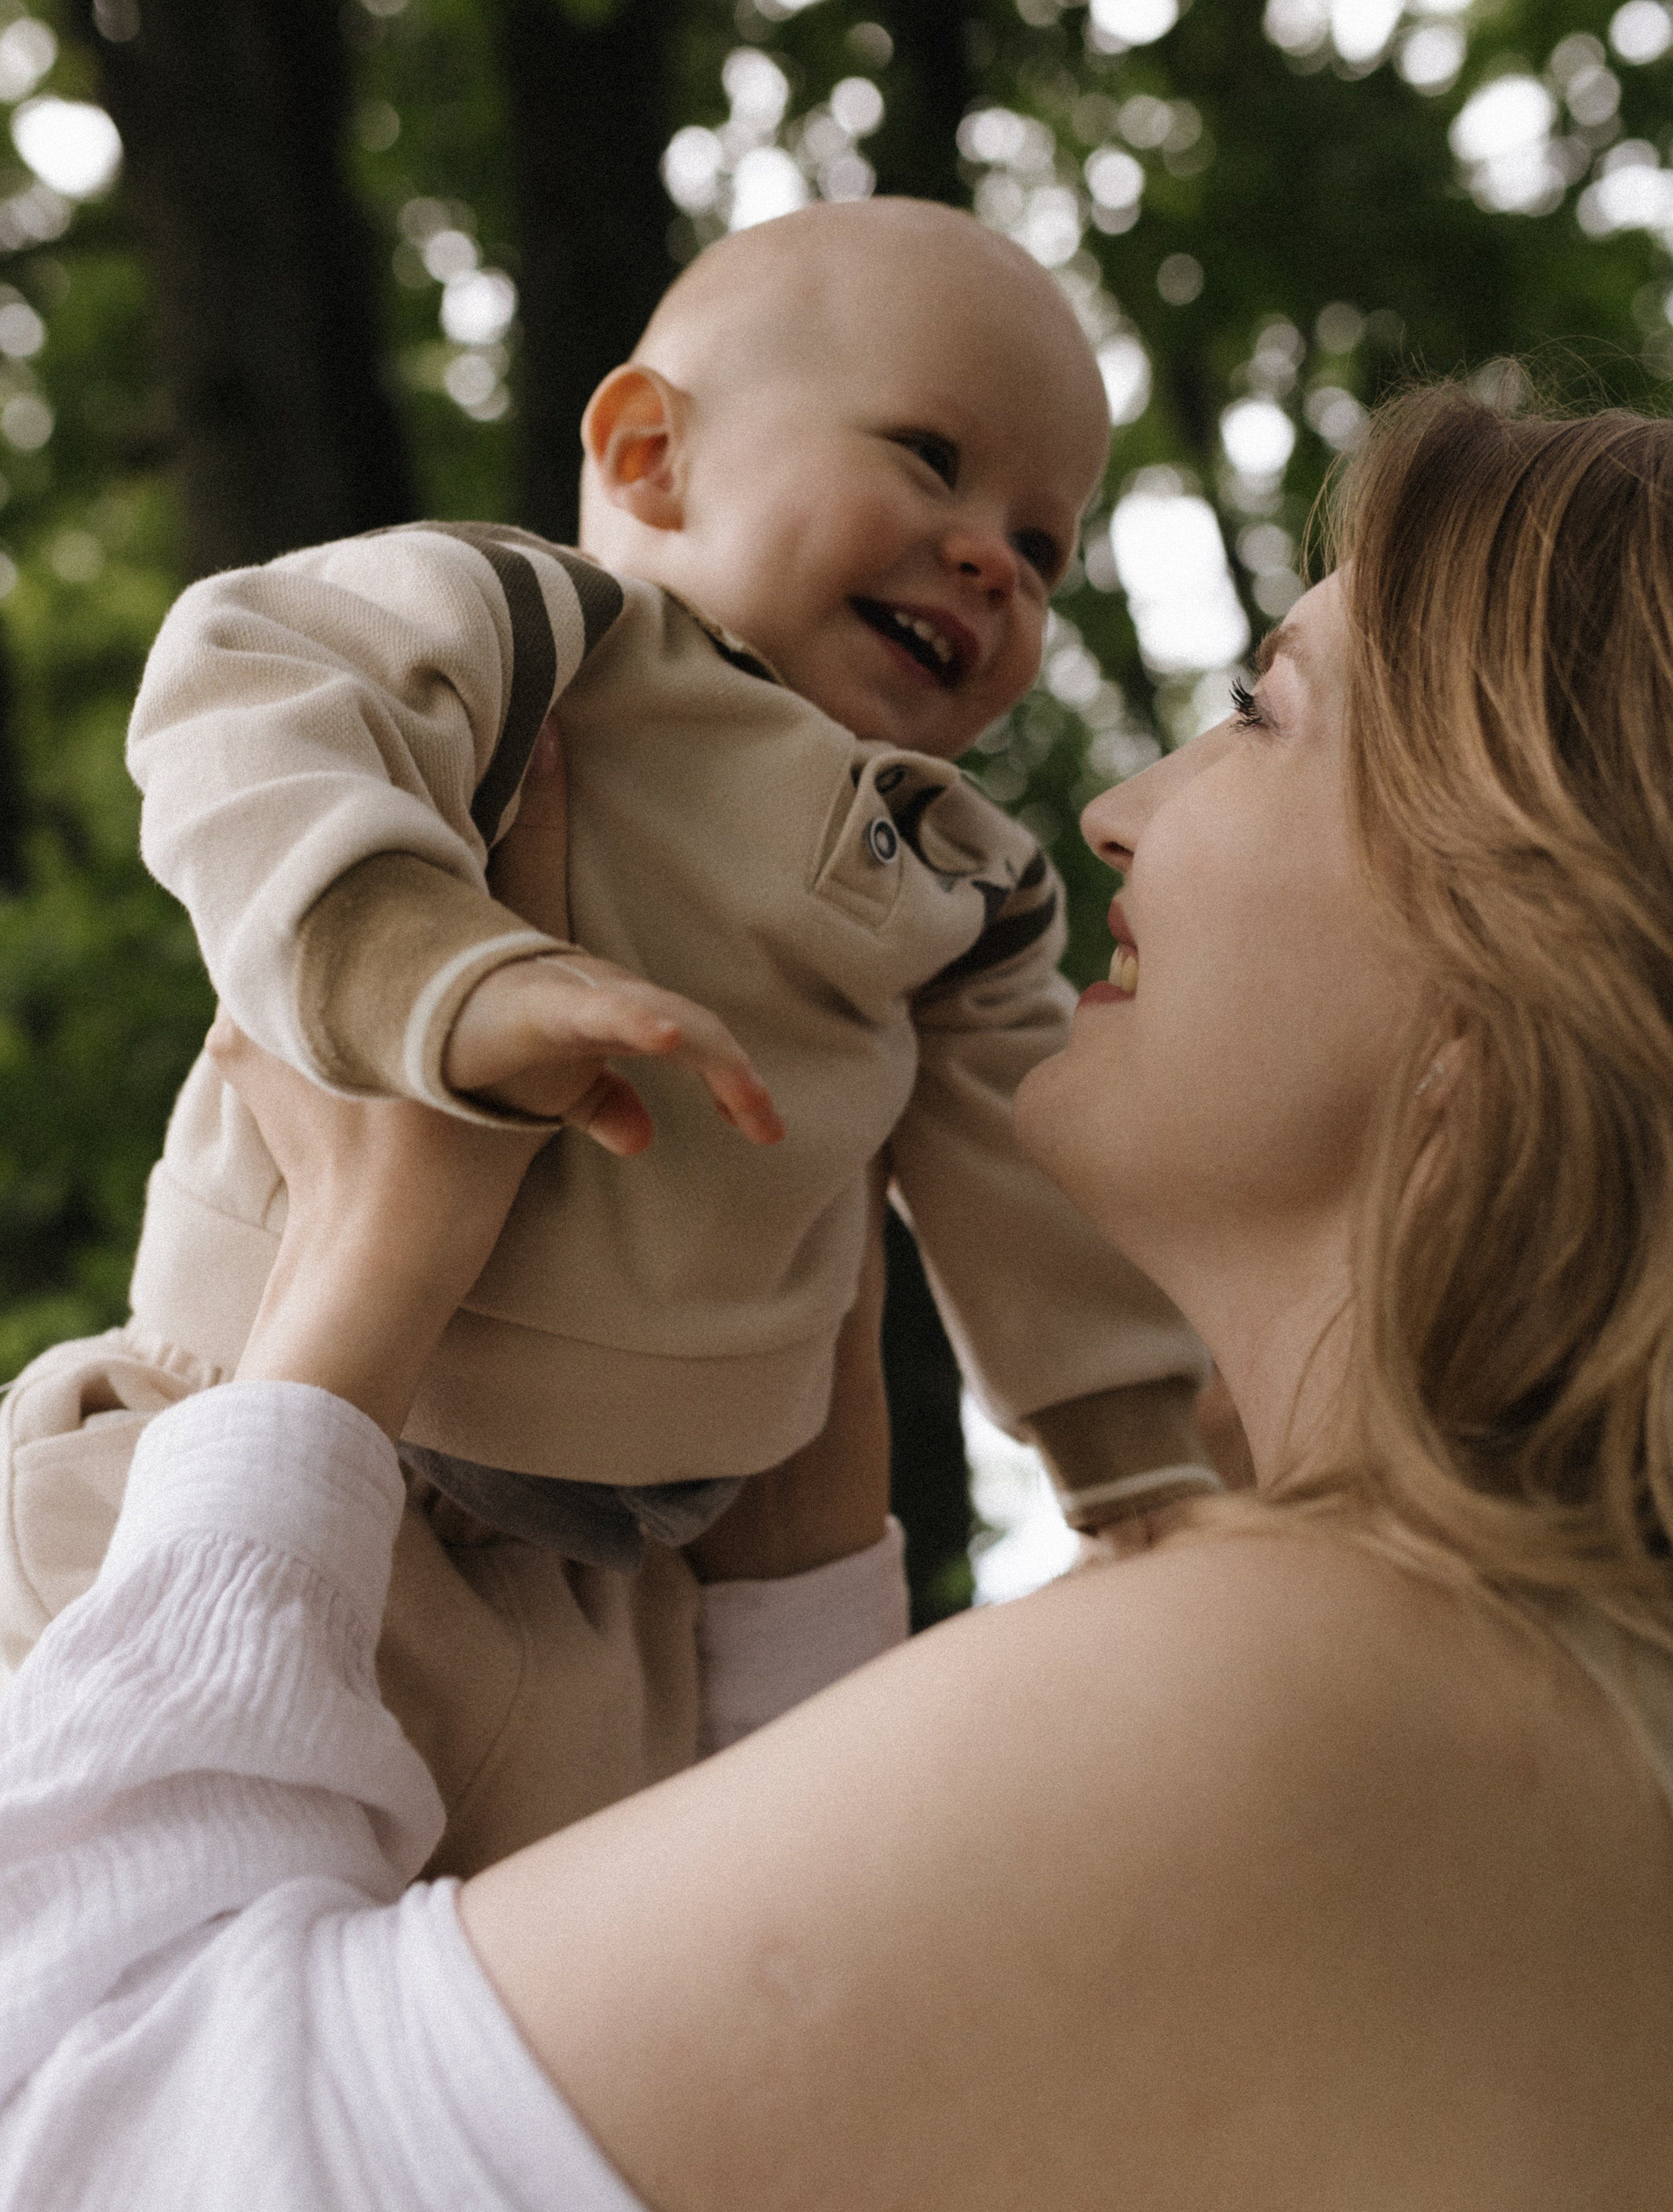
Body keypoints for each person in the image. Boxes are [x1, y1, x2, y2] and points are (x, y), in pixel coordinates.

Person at [11, 380, 1673, 2209]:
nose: (1115, 810)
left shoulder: (1320, 1686)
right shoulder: (1558, 1736)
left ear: (1505, 979)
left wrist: (352, 1290)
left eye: (1259, 714)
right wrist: (796, 1582)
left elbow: (83, 2128)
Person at [0, 199, 1211, 1873]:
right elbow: (248, 679)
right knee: (120, 1895)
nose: (990, 558)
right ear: (649, 455)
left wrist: (1137, 1467)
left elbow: (1032, 1175)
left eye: (1043, 545)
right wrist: (435, 969)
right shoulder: (540, 636)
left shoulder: (964, 880)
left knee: (511, 1994)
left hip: (626, 1612)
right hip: (249, 1423)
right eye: (930, 460)